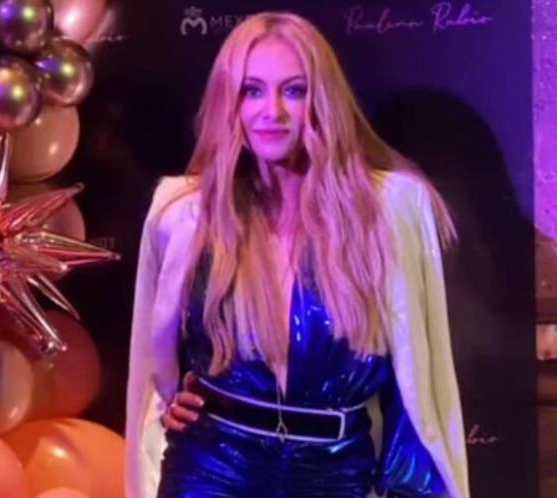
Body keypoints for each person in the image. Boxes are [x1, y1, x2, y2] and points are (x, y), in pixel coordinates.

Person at [126, 11, 469, 498]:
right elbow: (154, 366)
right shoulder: (185, 213)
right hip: (210, 466)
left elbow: (414, 386)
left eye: (294, 90)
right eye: (252, 91)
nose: (272, 112)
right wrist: (172, 400)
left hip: (334, 471)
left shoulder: (390, 210)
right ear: (229, 102)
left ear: (323, 99)